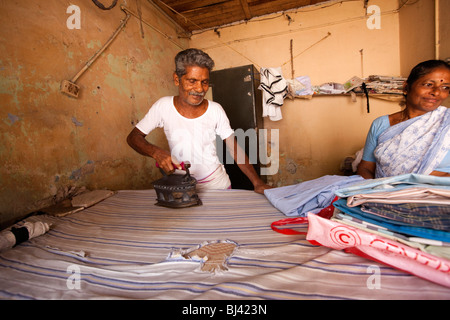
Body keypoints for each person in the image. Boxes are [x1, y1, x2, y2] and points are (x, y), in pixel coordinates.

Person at [127, 48, 271, 194]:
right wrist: (156, 152)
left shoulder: (215, 110)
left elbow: (235, 150)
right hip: (183, 188)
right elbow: (133, 138)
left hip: (218, 186)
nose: (200, 89)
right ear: (177, 79)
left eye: (204, 82)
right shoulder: (163, 106)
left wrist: (257, 182)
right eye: (192, 81)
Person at [357, 59, 450, 179]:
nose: (437, 92)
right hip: (388, 194)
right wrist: (373, 193)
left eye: (445, 87)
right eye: (429, 85)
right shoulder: (381, 124)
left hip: (440, 194)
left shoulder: (446, 122)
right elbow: (366, 168)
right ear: (406, 87)